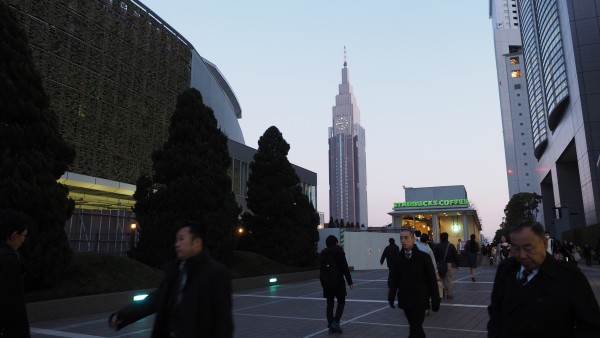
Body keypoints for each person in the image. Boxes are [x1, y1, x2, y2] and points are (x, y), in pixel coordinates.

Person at [108, 222, 233, 337]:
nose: (177, 244)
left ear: (197, 242)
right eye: (176, 240)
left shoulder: (216, 273)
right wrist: (123, 316)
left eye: (181, 239)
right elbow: (154, 300)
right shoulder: (176, 272)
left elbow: (223, 321)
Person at [487, 220, 600, 337]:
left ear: (544, 243)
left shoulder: (570, 276)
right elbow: (496, 310)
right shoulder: (505, 270)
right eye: (516, 248)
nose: (522, 255)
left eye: (528, 248)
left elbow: (590, 326)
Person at [388, 228, 440, 338]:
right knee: (415, 327)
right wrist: (391, 295)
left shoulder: (424, 257)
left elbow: (431, 280)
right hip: (405, 299)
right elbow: (393, 278)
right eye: (401, 238)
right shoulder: (398, 258)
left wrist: (435, 299)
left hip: (420, 299)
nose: (403, 240)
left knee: (415, 327)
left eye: (406, 238)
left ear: (413, 239)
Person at [0, 210, 32, 338]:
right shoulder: (10, 260)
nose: (24, 240)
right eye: (24, 235)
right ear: (13, 235)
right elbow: (13, 304)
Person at [320, 235, 353, 334]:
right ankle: (336, 322)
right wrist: (350, 282)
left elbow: (321, 270)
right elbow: (345, 268)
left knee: (330, 304)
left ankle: (331, 325)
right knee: (341, 301)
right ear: (336, 242)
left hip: (326, 283)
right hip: (338, 282)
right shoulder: (339, 252)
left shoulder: (323, 254)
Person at [433, 232, 459, 300]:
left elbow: (434, 257)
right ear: (447, 237)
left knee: (441, 279)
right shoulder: (451, 246)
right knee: (448, 279)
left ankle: (441, 293)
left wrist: (435, 265)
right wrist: (457, 264)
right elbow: (456, 256)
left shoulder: (437, 246)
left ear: (440, 238)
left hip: (439, 264)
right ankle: (449, 294)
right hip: (448, 264)